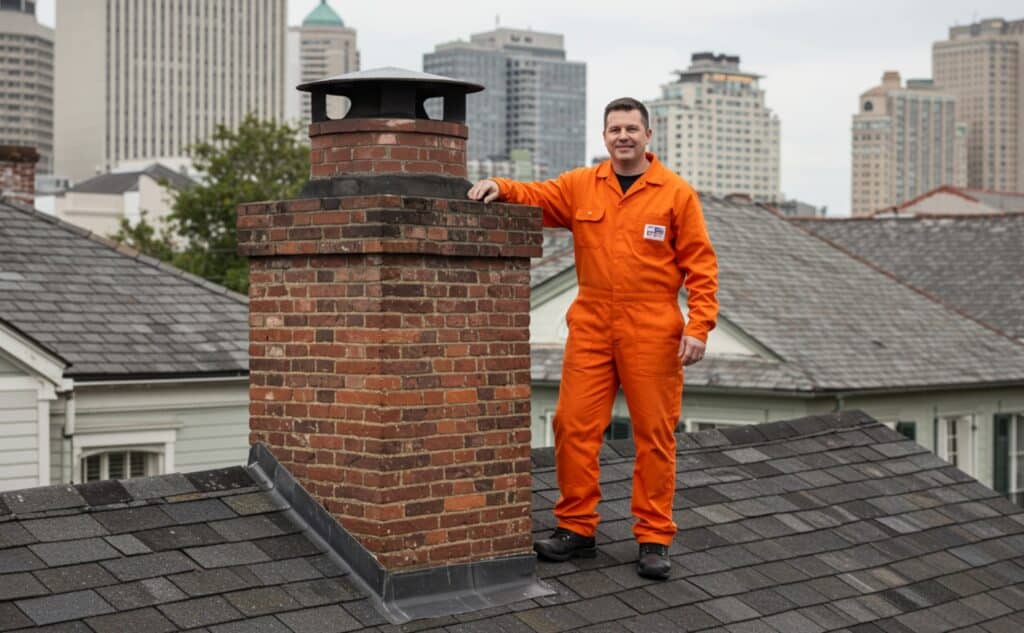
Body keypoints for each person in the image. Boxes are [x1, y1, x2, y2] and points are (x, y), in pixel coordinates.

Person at [467, 97, 719, 580]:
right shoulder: (583, 185)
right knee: (571, 425)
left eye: (631, 128)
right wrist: (499, 185)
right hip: (592, 325)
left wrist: (699, 326)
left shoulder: (675, 194)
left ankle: (653, 537)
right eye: (614, 129)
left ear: (648, 135)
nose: (622, 136)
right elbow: (535, 196)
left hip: (652, 330)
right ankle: (576, 528)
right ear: (604, 137)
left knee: (655, 436)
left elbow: (701, 267)